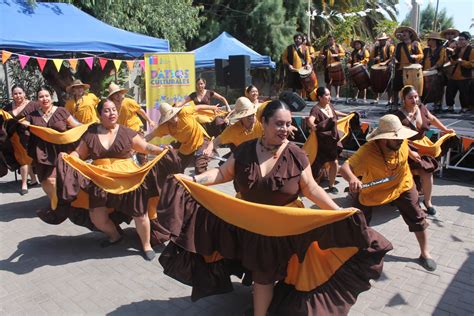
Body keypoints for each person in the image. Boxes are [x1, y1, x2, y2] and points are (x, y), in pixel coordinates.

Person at [156, 100, 392, 316]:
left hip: (288, 227)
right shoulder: (245, 150)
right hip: (251, 225)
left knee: (277, 273)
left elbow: (311, 189)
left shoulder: (296, 154)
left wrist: (338, 212)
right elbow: (222, 173)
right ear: (264, 123)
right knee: (263, 275)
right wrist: (195, 180)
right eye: (279, 123)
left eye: (288, 124)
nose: (285, 129)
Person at [56, 99, 177, 260]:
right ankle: (115, 236)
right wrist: (68, 158)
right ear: (99, 114)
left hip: (128, 179)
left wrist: (161, 150)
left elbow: (145, 147)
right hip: (100, 180)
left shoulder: (126, 132)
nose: (112, 113)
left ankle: (146, 244)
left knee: (140, 214)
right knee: (96, 216)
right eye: (107, 110)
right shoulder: (90, 134)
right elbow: (79, 154)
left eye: (114, 110)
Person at [340, 114, 437, 271]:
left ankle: (425, 253)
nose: (400, 140)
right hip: (373, 190)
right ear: (384, 139)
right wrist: (352, 179)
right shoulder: (367, 152)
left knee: (417, 217)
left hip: (402, 184)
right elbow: (344, 168)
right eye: (395, 138)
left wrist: (413, 155)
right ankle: (354, 253)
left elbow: (406, 147)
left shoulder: (401, 142)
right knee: (358, 223)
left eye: (400, 137)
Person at [395, 85, 455, 215]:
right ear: (403, 99)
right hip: (405, 147)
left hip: (423, 146)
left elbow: (432, 119)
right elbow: (397, 138)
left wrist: (445, 129)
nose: (414, 100)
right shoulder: (398, 115)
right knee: (406, 174)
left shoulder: (422, 108)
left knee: (427, 172)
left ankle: (428, 202)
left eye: (416, 97)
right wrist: (410, 153)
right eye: (410, 97)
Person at [21, 86, 81, 200]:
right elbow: (23, 125)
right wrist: (22, 125)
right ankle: (56, 201)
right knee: (47, 180)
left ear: (51, 97)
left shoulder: (61, 111)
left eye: (47, 96)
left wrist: (89, 127)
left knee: (61, 180)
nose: (44, 99)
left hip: (62, 152)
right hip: (43, 154)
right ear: (37, 99)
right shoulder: (32, 115)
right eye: (41, 97)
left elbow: (76, 125)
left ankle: (60, 202)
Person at [146, 102, 217, 175]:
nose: (173, 118)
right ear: (166, 119)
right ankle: (180, 185)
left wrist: (213, 107)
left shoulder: (184, 112)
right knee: (176, 169)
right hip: (187, 146)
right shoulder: (165, 127)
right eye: (169, 117)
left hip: (201, 140)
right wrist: (136, 144)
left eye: (173, 114)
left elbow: (198, 107)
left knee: (200, 167)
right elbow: (150, 136)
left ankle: (203, 184)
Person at [306, 87, 348, 193]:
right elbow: (310, 120)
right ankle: (311, 185)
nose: (329, 97)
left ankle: (331, 185)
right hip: (322, 142)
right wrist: (314, 126)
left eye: (329, 94)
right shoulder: (315, 109)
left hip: (331, 141)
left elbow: (335, 112)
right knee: (318, 163)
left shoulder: (329, 105)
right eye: (326, 95)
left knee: (334, 162)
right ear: (320, 97)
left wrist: (347, 115)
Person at [107, 82, 156, 165]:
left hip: (136, 129)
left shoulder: (129, 102)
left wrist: (149, 120)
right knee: (126, 152)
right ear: (112, 96)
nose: (118, 95)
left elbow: (141, 111)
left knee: (140, 150)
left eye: (119, 93)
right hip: (124, 132)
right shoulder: (112, 106)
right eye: (115, 94)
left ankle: (146, 168)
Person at [3, 84, 38, 194]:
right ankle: (32, 180)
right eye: (15, 94)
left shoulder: (33, 105)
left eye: (20, 93)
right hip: (14, 138)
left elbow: (41, 116)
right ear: (12, 95)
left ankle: (24, 184)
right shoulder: (8, 107)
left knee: (25, 160)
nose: (18, 96)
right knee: (24, 159)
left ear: (24, 94)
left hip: (29, 137)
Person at [391, 26, 423, 111]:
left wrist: (415, 56)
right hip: (400, 68)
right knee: (396, 87)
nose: (404, 33)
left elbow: (421, 55)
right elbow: (395, 56)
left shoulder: (415, 43)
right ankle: (395, 105)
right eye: (403, 31)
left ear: (410, 34)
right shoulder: (399, 45)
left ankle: (413, 105)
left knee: (411, 89)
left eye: (406, 31)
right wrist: (394, 59)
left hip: (411, 69)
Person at [445, 31, 473, 113]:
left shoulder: (472, 51)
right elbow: (453, 61)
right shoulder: (456, 49)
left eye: (462, 39)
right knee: (449, 91)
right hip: (454, 75)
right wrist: (451, 56)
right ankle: (450, 107)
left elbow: (472, 64)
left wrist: (462, 62)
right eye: (459, 39)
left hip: (464, 76)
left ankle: (464, 107)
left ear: (468, 40)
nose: (460, 41)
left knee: (464, 94)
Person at [421, 32, 448, 113]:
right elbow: (422, 60)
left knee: (438, 89)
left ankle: (437, 105)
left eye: (429, 40)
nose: (428, 41)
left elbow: (441, 61)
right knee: (425, 89)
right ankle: (424, 106)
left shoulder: (442, 49)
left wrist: (433, 68)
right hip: (426, 72)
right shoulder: (426, 50)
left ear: (434, 41)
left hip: (437, 72)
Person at [370, 33, 396, 103]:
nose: (382, 41)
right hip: (377, 66)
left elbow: (392, 57)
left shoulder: (390, 46)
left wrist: (385, 62)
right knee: (375, 83)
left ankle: (389, 100)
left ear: (386, 40)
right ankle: (376, 98)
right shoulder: (376, 47)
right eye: (381, 40)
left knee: (388, 84)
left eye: (383, 40)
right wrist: (375, 58)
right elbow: (371, 56)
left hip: (387, 67)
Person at [321, 35, 346, 99]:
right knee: (328, 81)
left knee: (337, 81)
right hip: (327, 66)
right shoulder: (325, 47)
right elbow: (320, 54)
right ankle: (329, 95)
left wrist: (336, 54)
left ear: (334, 40)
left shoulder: (338, 46)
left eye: (331, 39)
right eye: (329, 40)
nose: (330, 41)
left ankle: (337, 95)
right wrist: (322, 56)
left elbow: (343, 53)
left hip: (336, 66)